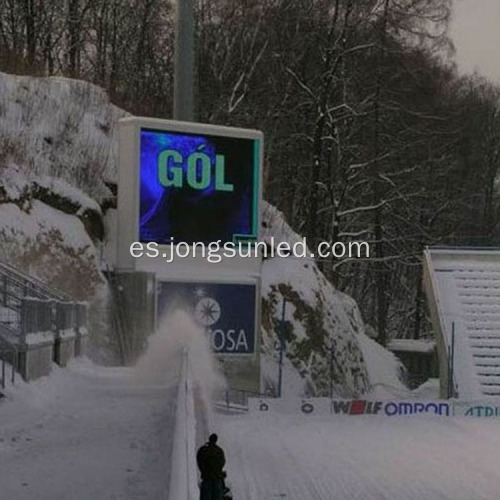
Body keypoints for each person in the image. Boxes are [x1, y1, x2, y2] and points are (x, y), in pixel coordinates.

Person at [196, 433, 226, 500]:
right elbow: (222, 462)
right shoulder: (219, 450)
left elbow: (199, 461)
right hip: (217, 478)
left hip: (207, 478)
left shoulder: (203, 450)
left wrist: (204, 471)